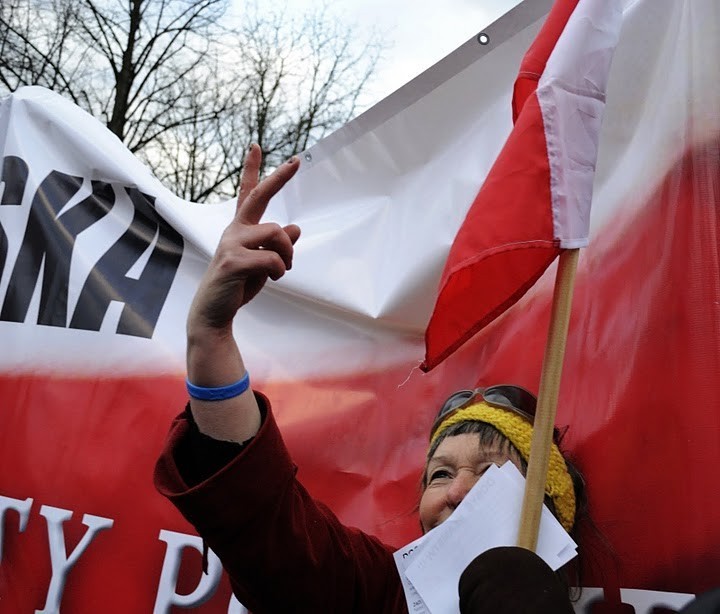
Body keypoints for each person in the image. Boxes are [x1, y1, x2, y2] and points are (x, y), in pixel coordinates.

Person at [154, 146, 585, 613]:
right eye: (439, 475)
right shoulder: (377, 593)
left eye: (490, 475)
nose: (457, 493)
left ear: (551, 512)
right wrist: (211, 339)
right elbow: (268, 527)